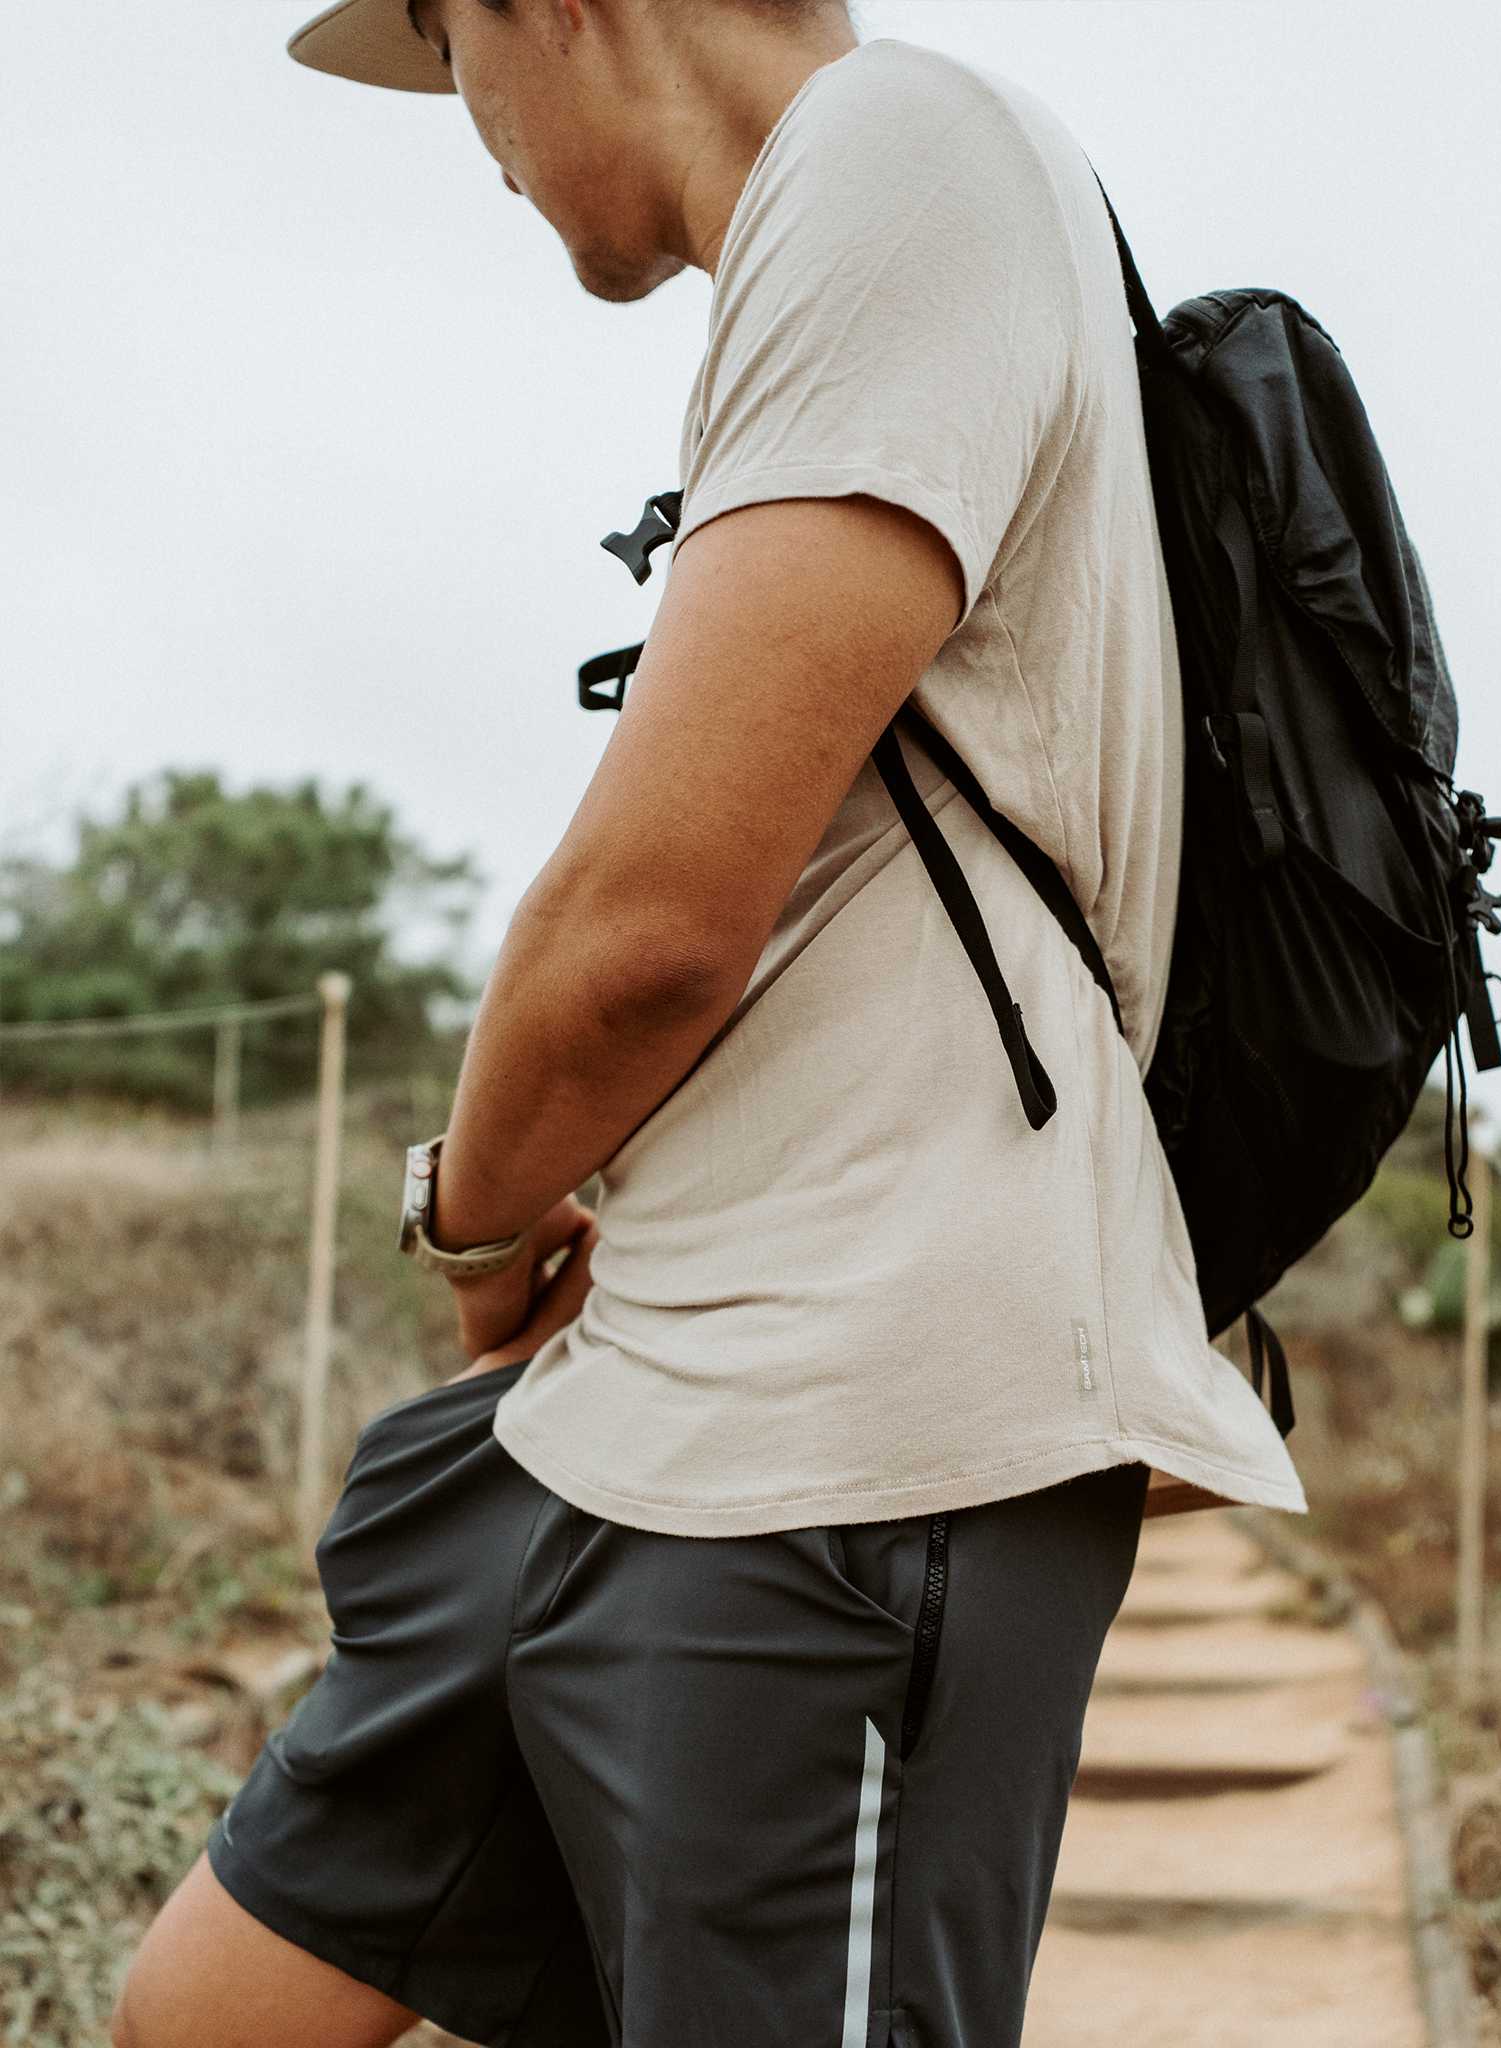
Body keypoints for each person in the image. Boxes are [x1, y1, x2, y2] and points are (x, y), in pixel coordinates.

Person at [113, 2, 1305, 2043]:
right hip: (646, 1378)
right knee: (205, 2011)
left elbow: (646, 925)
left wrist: (476, 1213)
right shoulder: (832, 234)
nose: (466, 128)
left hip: (850, 1432)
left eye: (440, 52)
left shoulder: (899, 160)